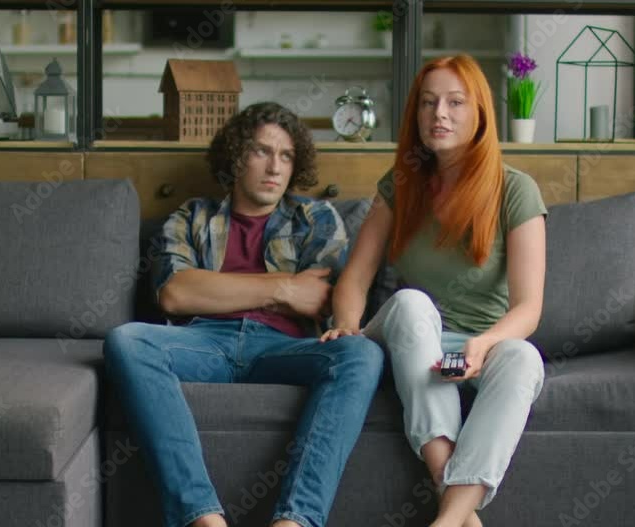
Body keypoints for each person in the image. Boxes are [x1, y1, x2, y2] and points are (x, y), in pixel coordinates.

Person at [103, 102, 384, 527]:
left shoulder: (315, 218)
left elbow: (319, 299)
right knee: (127, 341)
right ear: (236, 157)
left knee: (362, 353)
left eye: (286, 156)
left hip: (285, 348)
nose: (275, 167)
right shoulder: (192, 216)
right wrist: (285, 288)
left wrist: (218, 289)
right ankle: (202, 518)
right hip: (204, 343)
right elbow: (175, 294)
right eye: (261, 151)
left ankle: (294, 521)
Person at [321, 54, 548, 527]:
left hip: (481, 343)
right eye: (428, 103)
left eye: (454, 102)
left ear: (479, 112)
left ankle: (449, 520)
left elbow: (529, 308)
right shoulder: (400, 185)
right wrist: (345, 326)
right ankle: (456, 510)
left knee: (524, 358)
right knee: (410, 302)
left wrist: (484, 344)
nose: (438, 114)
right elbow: (355, 278)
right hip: (413, 338)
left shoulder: (515, 190)